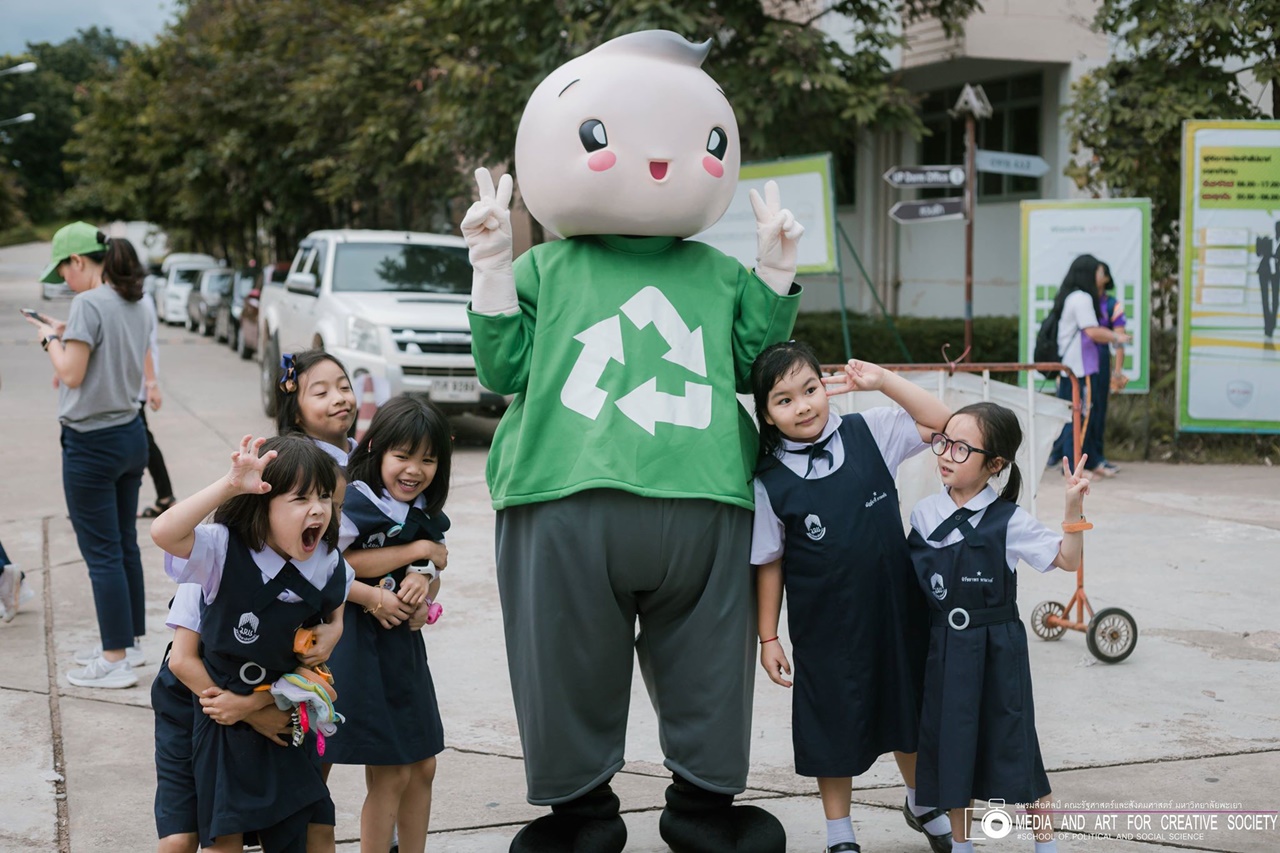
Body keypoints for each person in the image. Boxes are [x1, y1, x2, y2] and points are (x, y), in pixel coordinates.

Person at [463, 31, 803, 853]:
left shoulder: (721, 275)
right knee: (563, 663)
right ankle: (581, 811)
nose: (661, 160)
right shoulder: (547, 269)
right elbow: (503, 364)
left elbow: (761, 361)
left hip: (702, 500)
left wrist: (776, 272)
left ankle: (702, 804)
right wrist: (490, 264)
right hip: (562, 494)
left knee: (710, 667)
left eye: (704, 144)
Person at [751, 341, 954, 853]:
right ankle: (840, 834)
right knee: (831, 723)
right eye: (784, 399)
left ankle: (922, 801)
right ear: (768, 416)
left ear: (827, 386)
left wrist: (883, 380)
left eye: (811, 389)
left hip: (894, 610)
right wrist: (768, 635)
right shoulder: (769, 482)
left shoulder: (873, 431)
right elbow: (770, 561)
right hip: (826, 627)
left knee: (906, 709)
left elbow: (943, 423)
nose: (803, 406)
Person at [150, 435, 351, 853]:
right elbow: (164, 532)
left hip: (274, 704)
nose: (317, 508)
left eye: (324, 497)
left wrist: (335, 628)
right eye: (299, 498)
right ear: (261, 502)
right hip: (208, 702)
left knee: (314, 825)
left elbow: (340, 593)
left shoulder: (326, 560)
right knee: (221, 834)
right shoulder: (218, 552)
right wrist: (229, 484)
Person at [907, 402, 1090, 853]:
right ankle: (962, 846)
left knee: (1017, 746)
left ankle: (1045, 845)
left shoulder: (1010, 521)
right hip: (944, 649)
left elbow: (1067, 559)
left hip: (997, 650)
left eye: (962, 448)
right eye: (944, 442)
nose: (947, 454)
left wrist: (1072, 507)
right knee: (953, 750)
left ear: (995, 465)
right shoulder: (923, 514)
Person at [25, 223, 152, 688]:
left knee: (101, 554)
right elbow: (110, 352)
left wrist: (48, 339)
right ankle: (130, 644)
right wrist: (66, 331)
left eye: (64, 268)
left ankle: (113, 659)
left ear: (79, 261)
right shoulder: (135, 301)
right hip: (130, 433)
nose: (63, 279)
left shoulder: (87, 304)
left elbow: (72, 373)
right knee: (123, 544)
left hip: (91, 444)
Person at [326, 395, 451, 853]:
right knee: (392, 769)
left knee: (423, 766)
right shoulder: (354, 502)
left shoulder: (421, 510)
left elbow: (434, 570)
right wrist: (416, 555)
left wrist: (423, 585)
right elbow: (332, 564)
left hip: (402, 650)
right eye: (402, 456)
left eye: (428, 459)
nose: (414, 470)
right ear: (375, 448)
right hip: (359, 650)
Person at [151, 585, 292, 853]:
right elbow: (181, 662)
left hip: (256, 696)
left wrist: (254, 705)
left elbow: (312, 667)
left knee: (263, 828)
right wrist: (252, 712)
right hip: (189, 696)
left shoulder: (305, 571)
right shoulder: (208, 566)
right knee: (179, 838)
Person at [1048, 255, 1129, 475]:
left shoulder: (1073, 296)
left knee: (1080, 416)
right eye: (1099, 272)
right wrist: (1117, 337)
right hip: (1080, 368)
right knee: (1079, 417)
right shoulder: (1081, 298)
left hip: (1076, 367)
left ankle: (1084, 463)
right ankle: (1074, 468)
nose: (1102, 276)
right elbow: (1092, 330)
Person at [274, 349, 358, 468]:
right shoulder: (300, 471)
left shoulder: (370, 456)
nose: (339, 398)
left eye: (344, 387)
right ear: (295, 413)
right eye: (321, 393)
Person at [1084, 262, 1126, 477]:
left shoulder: (1112, 304)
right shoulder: (1082, 301)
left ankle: (1097, 458)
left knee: (1098, 411)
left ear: (1107, 278)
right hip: (1080, 361)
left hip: (1100, 362)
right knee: (1081, 411)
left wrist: (1117, 371)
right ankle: (1071, 457)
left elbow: (1119, 340)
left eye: (1098, 271)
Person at [138, 292, 178, 518]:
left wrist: (151, 384)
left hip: (133, 386)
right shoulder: (137, 296)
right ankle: (165, 496)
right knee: (144, 439)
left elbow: (143, 343)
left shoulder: (135, 298)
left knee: (142, 440)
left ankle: (166, 497)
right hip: (133, 385)